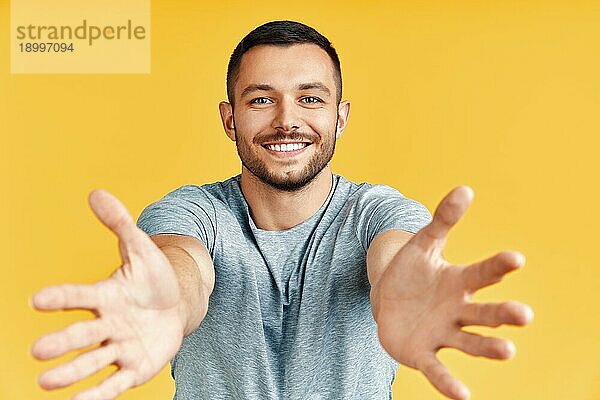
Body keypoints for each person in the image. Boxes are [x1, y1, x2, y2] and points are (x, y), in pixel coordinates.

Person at [31, 20, 534, 400]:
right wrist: (170, 300)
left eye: (311, 98)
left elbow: (395, 259)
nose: (287, 120)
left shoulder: (377, 213)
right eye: (260, 100)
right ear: (229, 119)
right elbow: (180, 265)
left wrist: (407, 286)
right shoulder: (191, 212)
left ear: (340, 118)